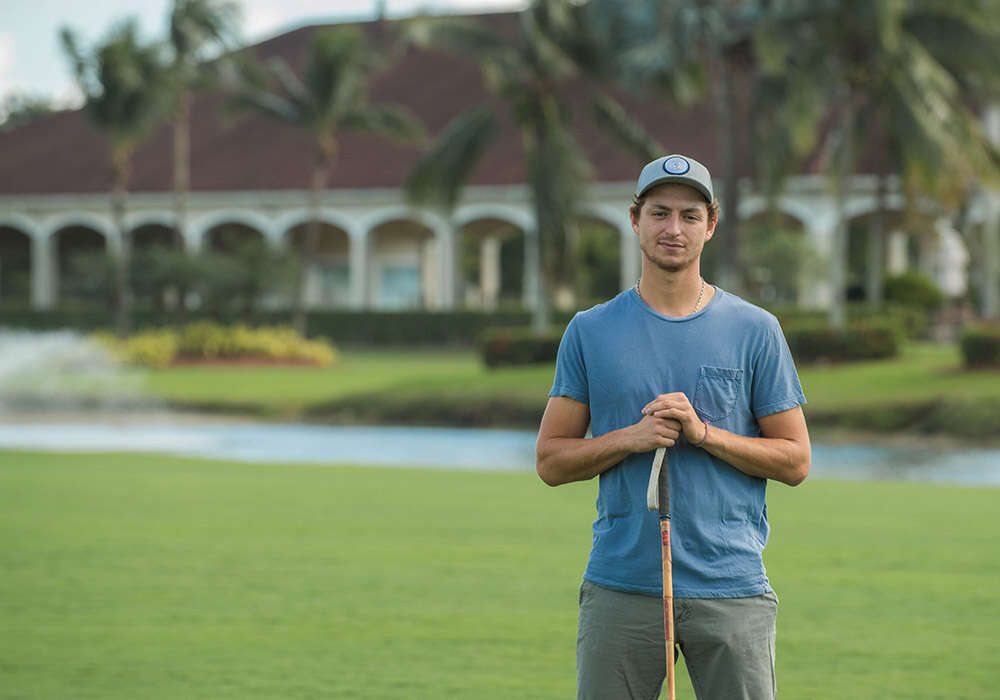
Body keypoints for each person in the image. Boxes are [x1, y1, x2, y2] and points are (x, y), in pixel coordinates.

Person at [536, 154, 811, 700]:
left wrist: (705, 434)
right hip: (622, 585)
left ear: (711, 225)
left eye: (689, 215)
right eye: (659, 213)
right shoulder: (590, 330)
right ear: (634, 220)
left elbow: (796, 460)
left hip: (731, 586)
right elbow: (550, 461)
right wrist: (628, 439)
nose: (673, 228)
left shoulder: (756, 330)